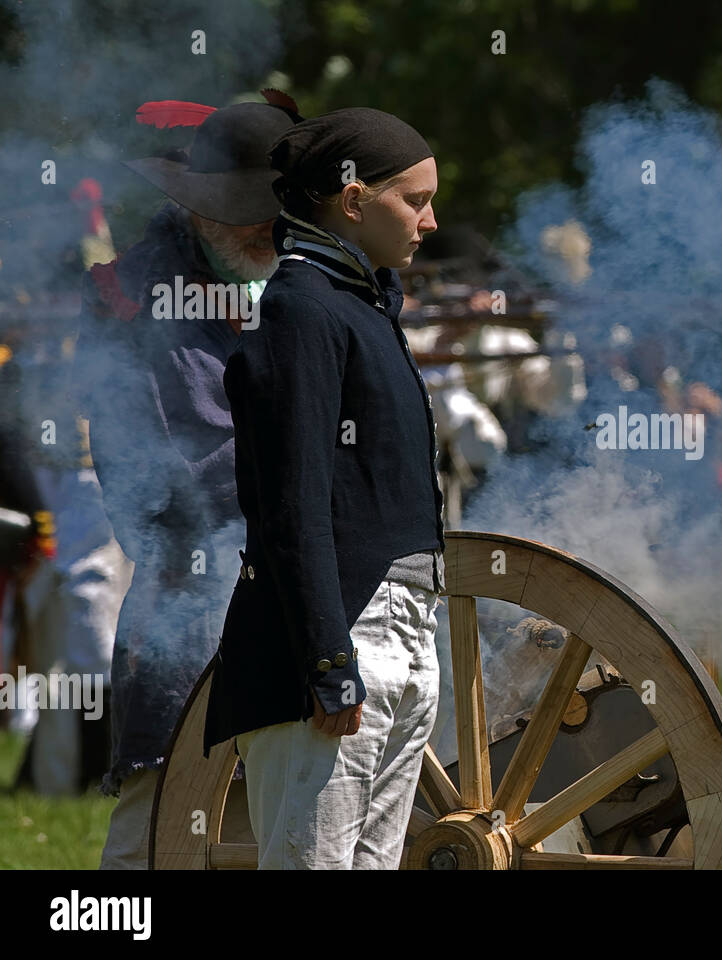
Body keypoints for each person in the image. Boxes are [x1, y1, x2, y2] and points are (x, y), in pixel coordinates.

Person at [203, 107, 447, 870]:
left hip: (402, 630)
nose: (431, 221)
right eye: (415, 199)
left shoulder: (361, 306)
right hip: (345, 632)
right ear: (352, 201)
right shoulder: (301, 309)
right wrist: (326, 661)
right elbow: (290, 506)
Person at [78, 96, 303, 867]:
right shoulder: (134, 298)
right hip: (195, 591)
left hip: (303, 585)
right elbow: (180, 480)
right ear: (198, 207)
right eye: (243, 211)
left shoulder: (297, 277)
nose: (264, 229)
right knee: (156, 833)